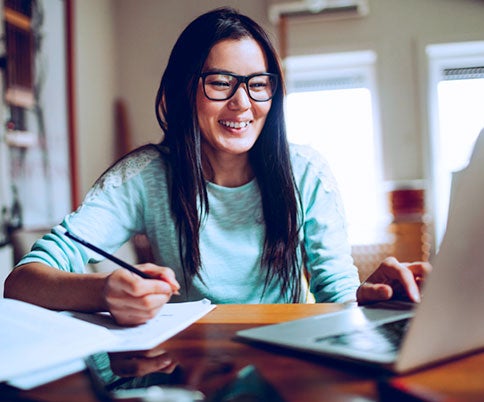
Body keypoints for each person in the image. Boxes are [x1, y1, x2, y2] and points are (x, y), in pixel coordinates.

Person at [4, 7, 430, 326]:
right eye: (221, 82)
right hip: (185, 364)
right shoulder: (145, 176)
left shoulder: (307, 174)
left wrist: (375, 296)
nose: (242, 103)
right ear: (185, 88)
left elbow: (337, 296)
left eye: (258, 84)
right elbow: (21, 282)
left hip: (283, 360)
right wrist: (103, 289)